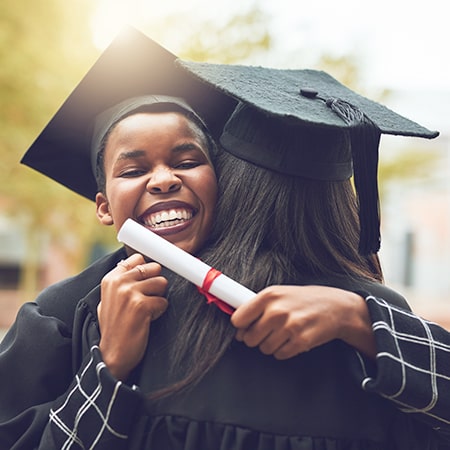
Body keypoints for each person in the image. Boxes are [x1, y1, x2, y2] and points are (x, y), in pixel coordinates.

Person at [0, 27, 446, 450]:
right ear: (102, 205)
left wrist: (360, 318)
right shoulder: (66, 314)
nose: (163, 180)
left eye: (188, 160)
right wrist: (109, 363)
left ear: (223, 181)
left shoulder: (366, 319)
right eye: (134, 170)